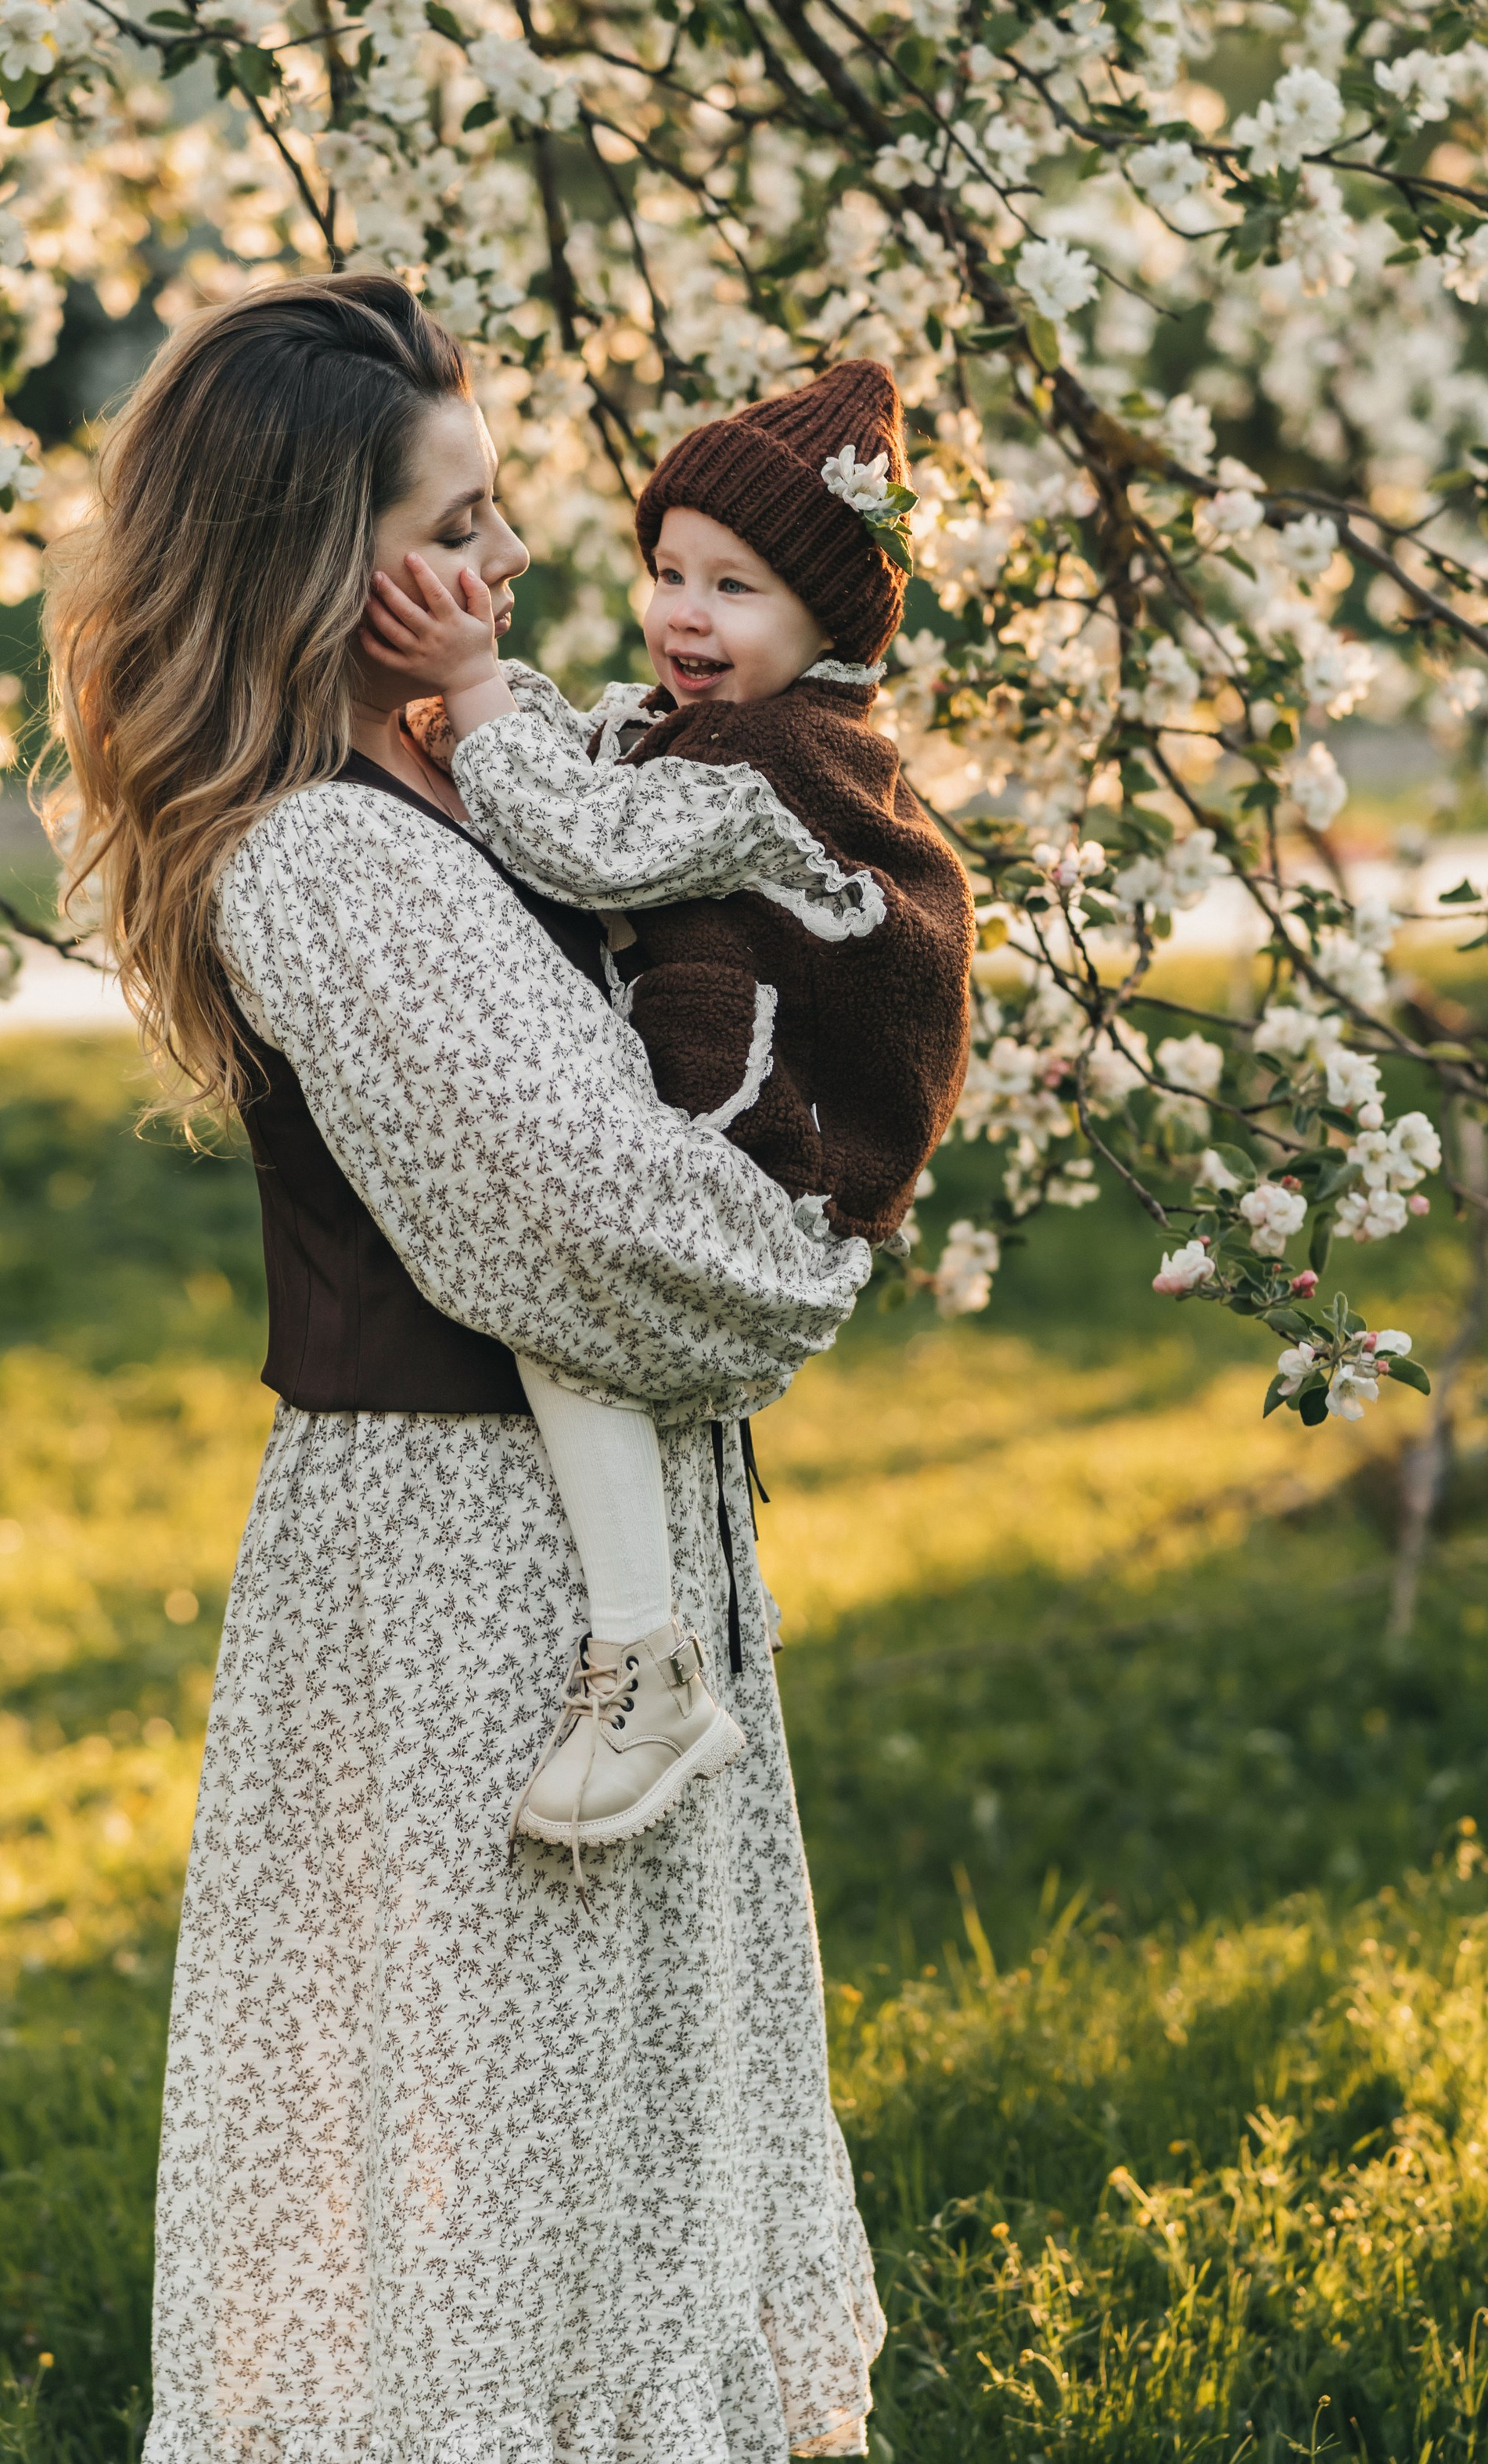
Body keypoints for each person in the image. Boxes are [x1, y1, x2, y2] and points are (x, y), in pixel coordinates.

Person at [43, 273, 886, 2464]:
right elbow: (589, 1215)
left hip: (505, 1533)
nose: (506, 563)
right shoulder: (331, 861)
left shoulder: (419, 798)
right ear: (322, 565)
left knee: (491, 2128)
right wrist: (802, 1253)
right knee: (462, 2149)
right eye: (452, 524)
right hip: (461, 1567)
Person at [362, 360, 974, 1872]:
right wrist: (481, 711)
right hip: (733, 1151)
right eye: (670, 574)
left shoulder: (789, 763)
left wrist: (477, 693)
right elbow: (600, 757)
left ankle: (646, 1658)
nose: (686, 616)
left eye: (736, 588)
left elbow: (590, 839)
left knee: (558, 1289)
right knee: (557, 1282)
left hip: (773, 1175)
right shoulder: (721, 726)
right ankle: (650, 1646)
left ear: (832, 621)